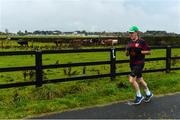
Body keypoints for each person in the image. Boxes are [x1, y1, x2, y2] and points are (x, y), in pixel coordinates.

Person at [126, 26, 153, 105]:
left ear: (136, 32)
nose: (130, 34)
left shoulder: (142, 41)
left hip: (139, 63)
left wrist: (140, 52)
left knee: (131, 80)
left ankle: (139, 96)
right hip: (132, 64)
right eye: (130, 33)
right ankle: (148, 93)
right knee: (140, 80)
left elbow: (149, 51)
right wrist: (128, 51)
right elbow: (127, 54)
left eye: (132, 33)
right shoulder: (129, 43)